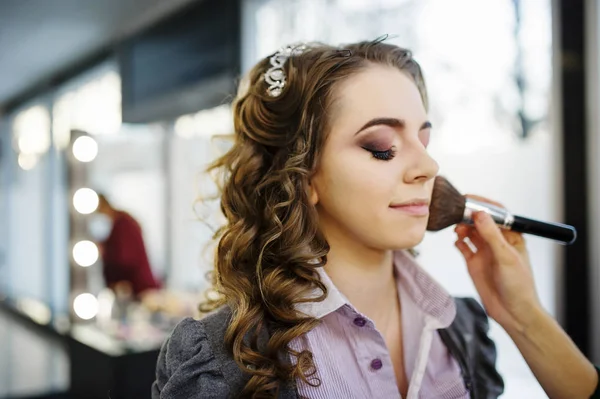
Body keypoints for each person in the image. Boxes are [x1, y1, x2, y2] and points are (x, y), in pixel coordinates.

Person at [151, 41, 600, 398]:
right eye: (383, 147)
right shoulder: (222, 361)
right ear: (303, 175)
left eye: (424, 139)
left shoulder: (463, 329)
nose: (428, 167)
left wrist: (523, 316)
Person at [95, 194, 161, 298]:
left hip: (141, 287)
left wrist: (104, 251)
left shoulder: (123, 224)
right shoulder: (122, 222)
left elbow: (125, 258)